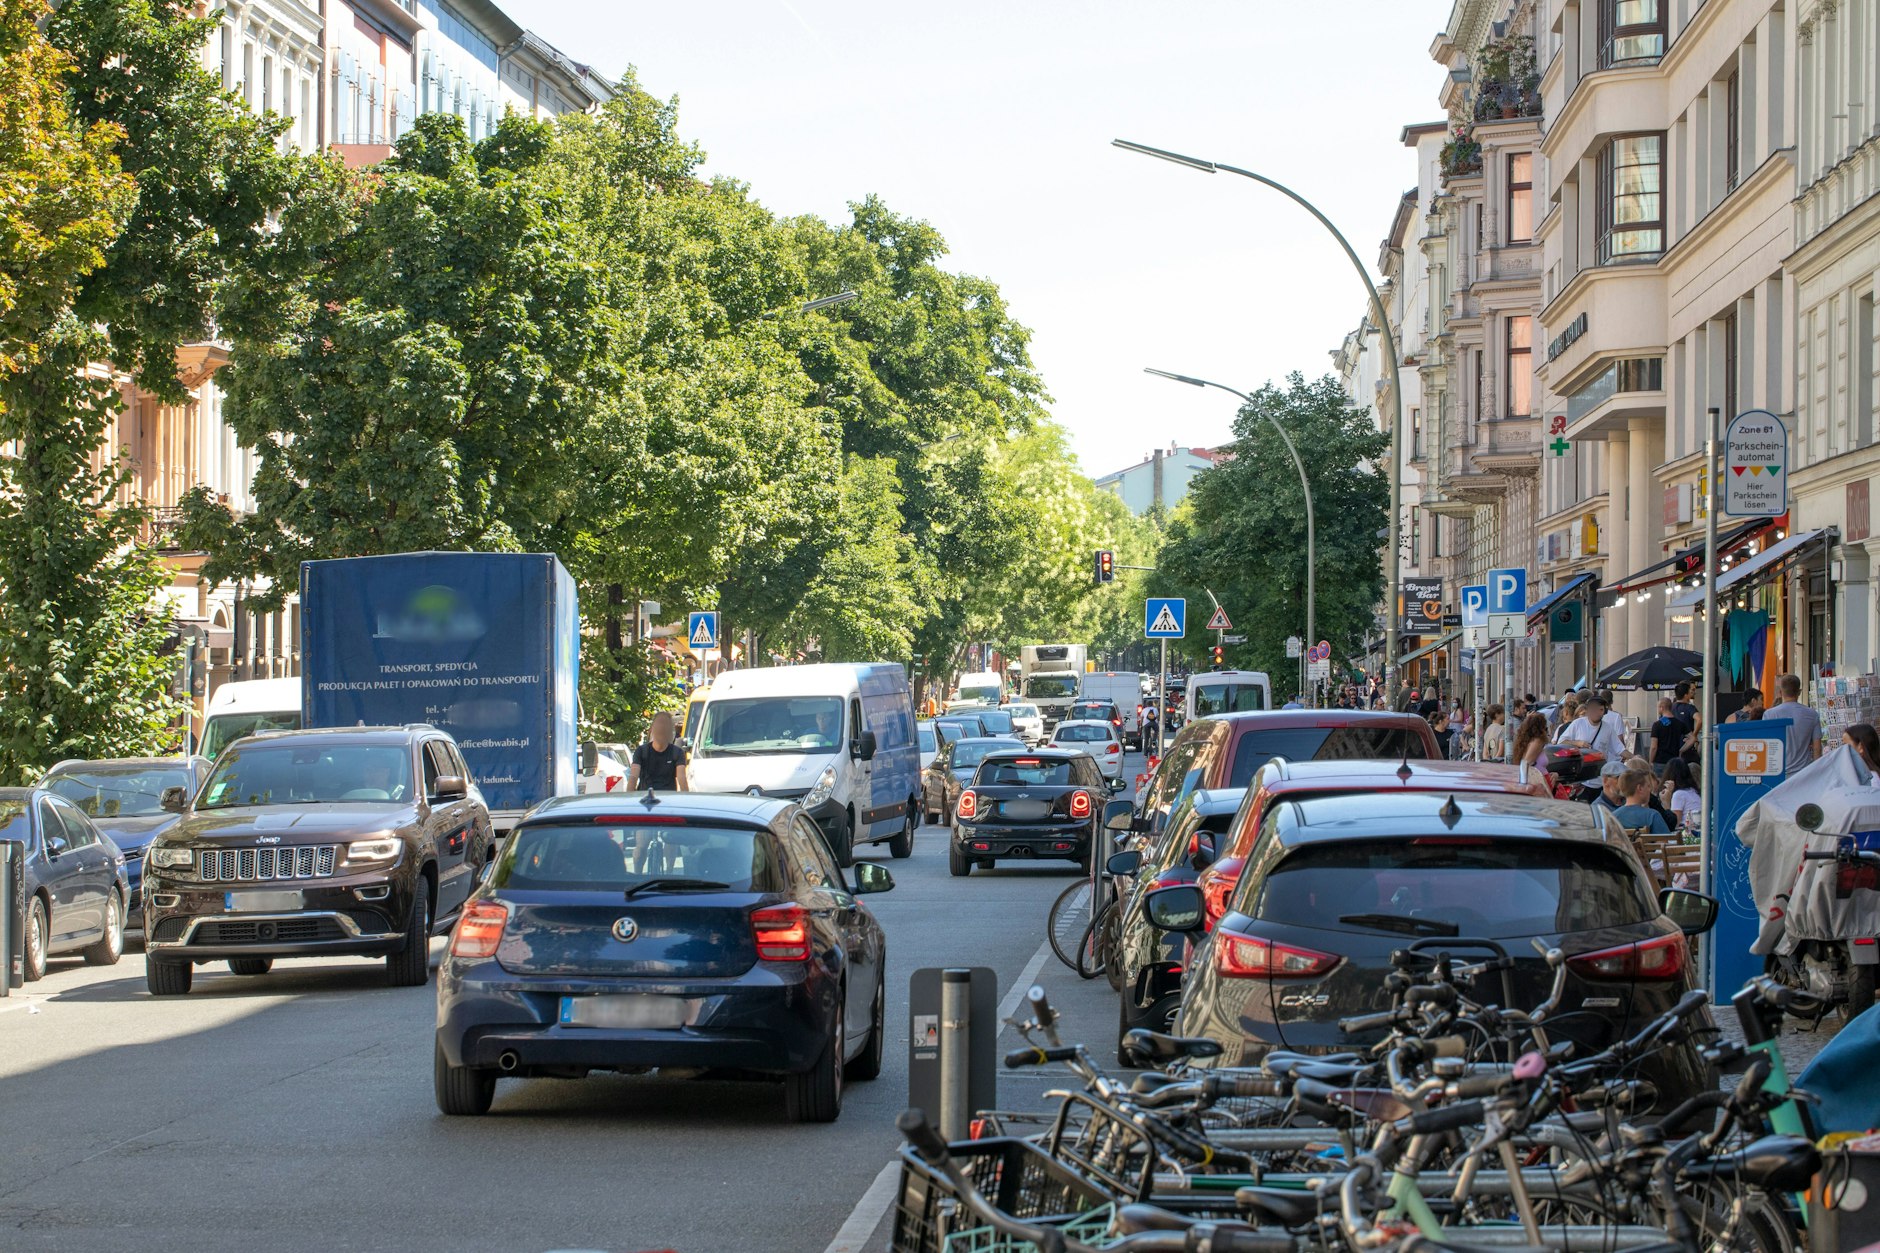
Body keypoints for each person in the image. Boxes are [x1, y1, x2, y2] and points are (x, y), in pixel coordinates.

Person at [1766, 673, 1822, 773]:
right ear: (1799, 692)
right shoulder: (1812, 714)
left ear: (1781, 692)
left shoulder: (1769, 714)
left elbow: (1766, 745)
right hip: (1803, 773)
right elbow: (1817, 748)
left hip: (1777, 772)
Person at [629, 711, 689, 792]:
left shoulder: (677, 753)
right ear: (652, 729)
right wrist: (630, 799)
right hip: (645, 799)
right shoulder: (641, 751)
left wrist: (686, 799)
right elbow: (633, 776)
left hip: (668, 800)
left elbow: (682, 779)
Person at [1563, 694, 1626, 760]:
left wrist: (1634, 758)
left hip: (1599, 766)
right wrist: (1577, 743)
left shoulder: (1608, 728)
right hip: (1581, 766)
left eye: (1600, 710)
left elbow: (1620, 749)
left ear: (1605, 712)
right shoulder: (1578, 723)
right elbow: (1561, 742)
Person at [1611, 767, 1670, 833]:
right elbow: (1664, 841)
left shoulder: (1612, 817)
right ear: (1640, 788)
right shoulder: (1652, 816)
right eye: (1648, 786)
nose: (1650, 790)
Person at [1511, 712, 1554, 797]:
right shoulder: (1538, 741)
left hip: (1537, 781)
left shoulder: (1525, 741)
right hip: (1539, 782)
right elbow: (1527, 762)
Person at [1649, 697, 1689, 774]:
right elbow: (1692, 738)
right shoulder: (1679, 723)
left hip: (1660, 761)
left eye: (1658, 707)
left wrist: (1650, 761)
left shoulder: (1657, 725)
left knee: (1660, 784)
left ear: (1662, 707)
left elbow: (1654, 747)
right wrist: (1681, 750)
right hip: (1674, 761)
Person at [1661, 758, 1702, 828]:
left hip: (1686, 833)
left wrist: (1666, 803)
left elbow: (1674, 823)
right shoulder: (1693, 791)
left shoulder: (1679, 794)